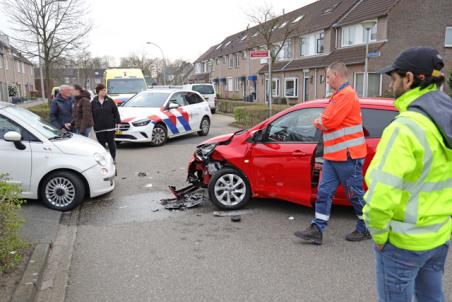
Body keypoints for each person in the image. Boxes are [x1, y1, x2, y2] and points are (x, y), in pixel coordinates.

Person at [363, 47, 451, 302]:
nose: (391, 86)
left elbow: (380, 196)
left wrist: (379, 236)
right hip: (439, 236)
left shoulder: (405, 127)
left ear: (410, 78)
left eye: (393, 78)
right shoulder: (446, 118)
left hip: (403, 243)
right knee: (431, 298)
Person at [294, 61, 369, 245]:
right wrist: (322, 119)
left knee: (355, 194)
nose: (327, 80)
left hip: (348, 156)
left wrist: (320, 120)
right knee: (324, 192)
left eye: (328, 77)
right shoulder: (338, 96)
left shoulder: (346, 95)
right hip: (334, 156)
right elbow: (328, 119)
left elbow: (328, 121)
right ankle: (317, 229)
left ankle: (365, 227)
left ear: (335, 75)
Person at [92, 83, 121, 161]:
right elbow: (91, 115)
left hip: (110, 127)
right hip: (99, 128)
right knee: (101, 145)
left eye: (105, 90)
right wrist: (93, 124)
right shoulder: (93, 102)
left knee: (111, 143)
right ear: (98, 91)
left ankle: (113, 158)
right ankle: (104, 159)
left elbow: (116, 112)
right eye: (102, 90)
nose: (105, 91)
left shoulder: (110, 100)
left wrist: (118, 122)